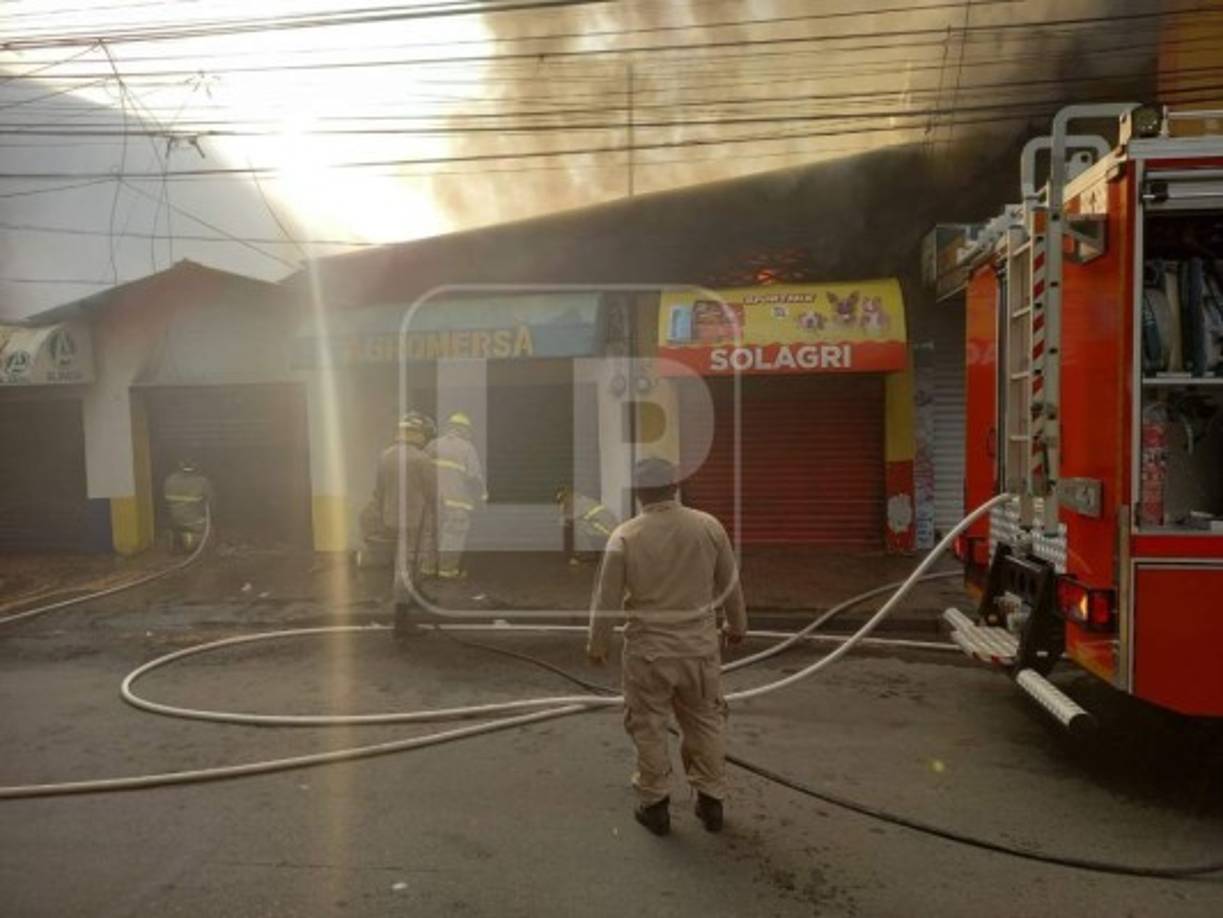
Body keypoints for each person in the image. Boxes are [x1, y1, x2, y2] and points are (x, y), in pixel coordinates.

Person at [587, 457, 747, 837]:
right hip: (699, 649)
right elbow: (730, 585)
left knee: (648, 725)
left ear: (639, 493)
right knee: (706, 721)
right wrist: (737, 625)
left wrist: (598, 643)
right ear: (675, 486)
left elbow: (606, 597)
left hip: (649, 653)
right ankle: (711, 802)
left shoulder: (625, 535)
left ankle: (655, 805)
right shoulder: (709, 527)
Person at [373, 412, 438, 639]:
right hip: (415, 521)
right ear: (419, 434)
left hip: (392, 519)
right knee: (408, 566)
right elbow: (432, 493)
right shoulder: (421, 459)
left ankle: (415, 598)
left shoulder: (385, 456)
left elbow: (379, 491)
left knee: (405, 563)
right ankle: (401, 622)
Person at [426, 411, 486, 580]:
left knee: (432, 536)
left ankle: (428, 570)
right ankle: (448, 572)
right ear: (464, 430)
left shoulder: (433, 445)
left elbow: (421, 472)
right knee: (452, 537)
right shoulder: (467, 448)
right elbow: (473, 477)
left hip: (432, 503)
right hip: (457, 504)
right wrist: (482, 497)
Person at [554, 485, 619, 564]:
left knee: (577, 525)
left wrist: (562, 512)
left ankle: (585, 556)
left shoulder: (578, 503)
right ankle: (594, 553)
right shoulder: (581, 499)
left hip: (608, 534)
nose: (561, 503)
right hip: (609, 532)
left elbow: (565, 520)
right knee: (579, 523)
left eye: (561, 500)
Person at [163, 459, 214, 553]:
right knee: (209, 533)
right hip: (193, 521)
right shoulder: (202, 481)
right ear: (196, 465)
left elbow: (165, 500)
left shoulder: (170, 479)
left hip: (174, 519)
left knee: (177, 522)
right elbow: (210, 501)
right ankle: (189, 540)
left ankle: (176, 537)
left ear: (180, 464)